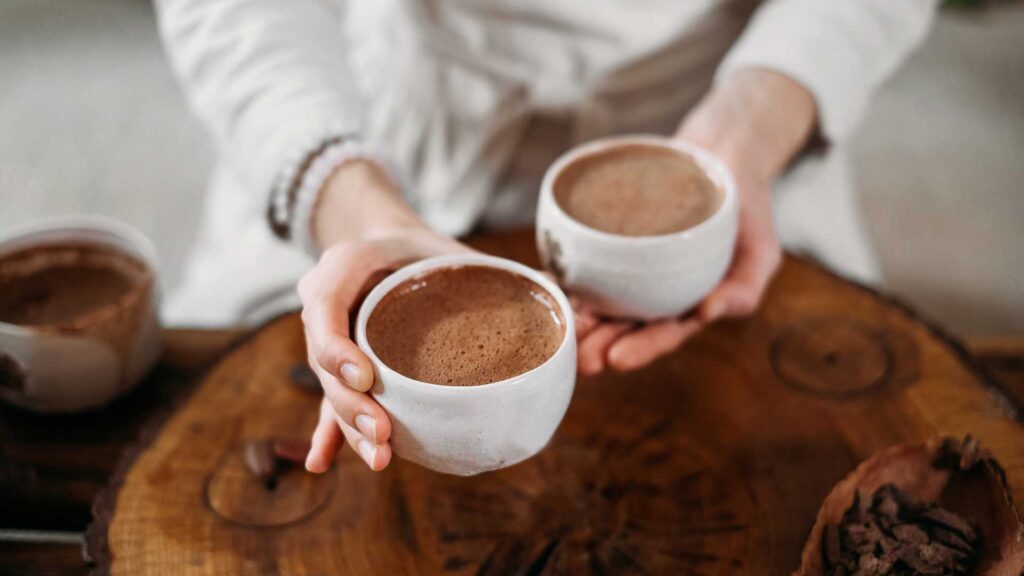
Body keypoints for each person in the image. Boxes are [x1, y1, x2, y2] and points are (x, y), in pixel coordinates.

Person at [156, 0, 939, 471]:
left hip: (730, 117)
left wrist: (753, 126)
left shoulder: (743, 137)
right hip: (376, 136)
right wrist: (353, 206)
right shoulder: (353, 189)